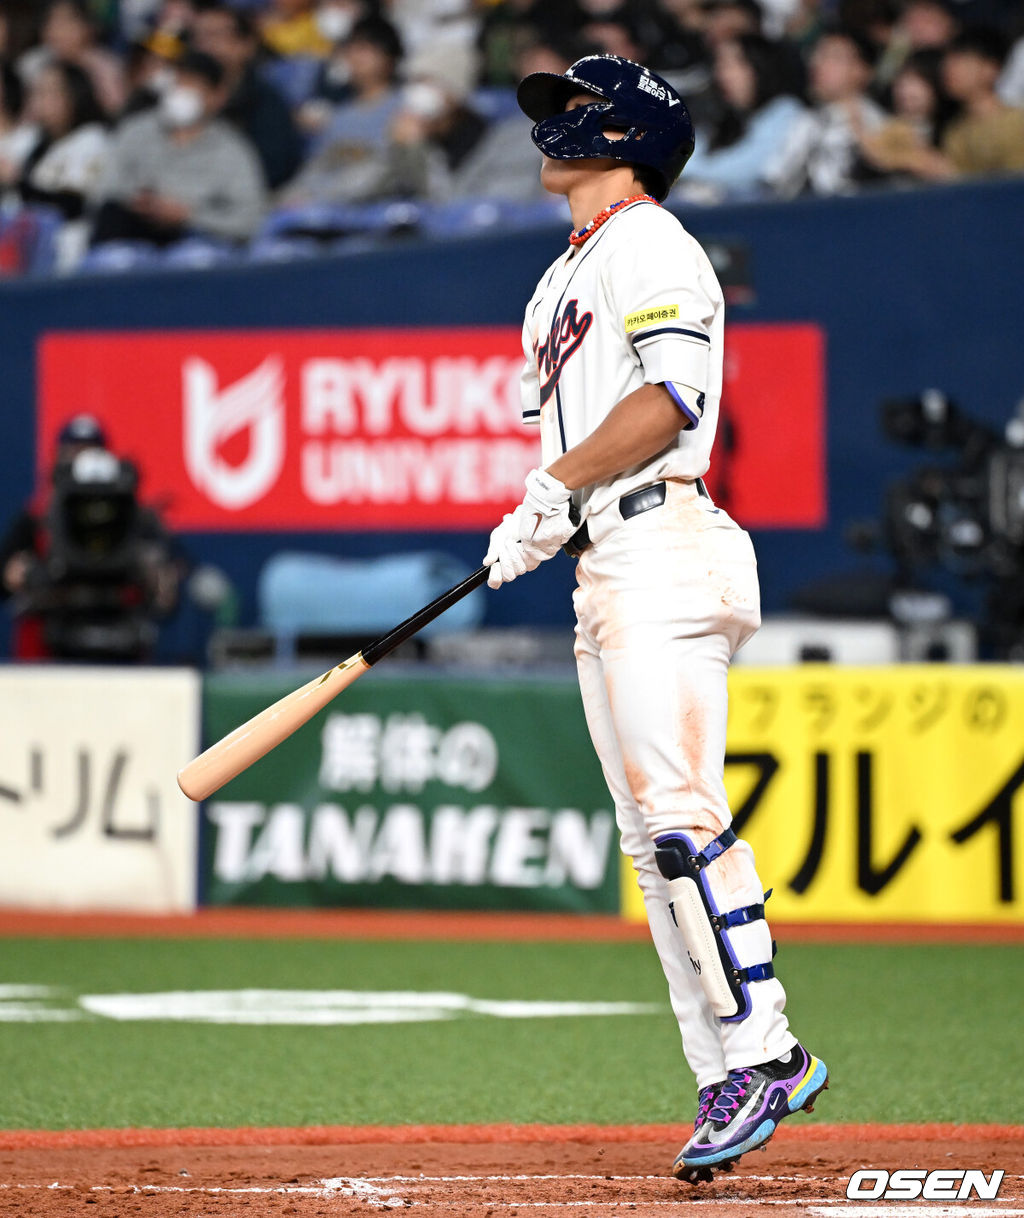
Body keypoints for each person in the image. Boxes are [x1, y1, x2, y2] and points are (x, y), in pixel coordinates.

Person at [482, 53, 828, 1182]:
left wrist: (552, 488)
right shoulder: (561, 275)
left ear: (629, 135)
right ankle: (725, 1069)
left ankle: (767, 1050)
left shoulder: (652, 242)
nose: (556, 127)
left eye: (577, 110)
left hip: (667, 543)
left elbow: (669, 399)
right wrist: (554, 510)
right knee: (647, 846)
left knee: (677, 818)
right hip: (609, 556)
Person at [0, 414, 183, 661]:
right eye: (73, 453)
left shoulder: (133, 516)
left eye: (90, 453)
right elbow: (7, 575)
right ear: (57, 460)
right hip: (51, 640)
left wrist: (159, 579)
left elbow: (166, 591)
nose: (82, 462)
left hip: (120, 637)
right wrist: (17, 574)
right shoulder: (39, 518)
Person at [91, 50, 265, 247]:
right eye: (178, 83)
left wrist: (189, 216)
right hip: (135, 229)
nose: (181, 92)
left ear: (218, 97)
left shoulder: (232, 149)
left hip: (196, 238)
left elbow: (248, 219)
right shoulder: (135, 131)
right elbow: (105, 189)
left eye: (193, 86)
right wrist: (142, 202)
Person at [675, 33, 806, 200]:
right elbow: (688, 152)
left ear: (759, 66)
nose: (723, 74)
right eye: (720, 65)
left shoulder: (786, 111)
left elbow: (751, 168)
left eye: (733, 64)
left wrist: (677, 169)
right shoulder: (719, 118)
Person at [191, 5, 304, 188]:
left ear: (246, 45)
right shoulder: (171, 95)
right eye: (198, 37)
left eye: (216, 35)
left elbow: (273, 168)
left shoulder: (266, 100)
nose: (205, 46)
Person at [771, 27, 887, 196]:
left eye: (833, 57)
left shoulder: (879, 125)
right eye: (817, 55)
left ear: (862, 70)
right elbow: (775, 180)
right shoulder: (807, 120)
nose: (817, 63)